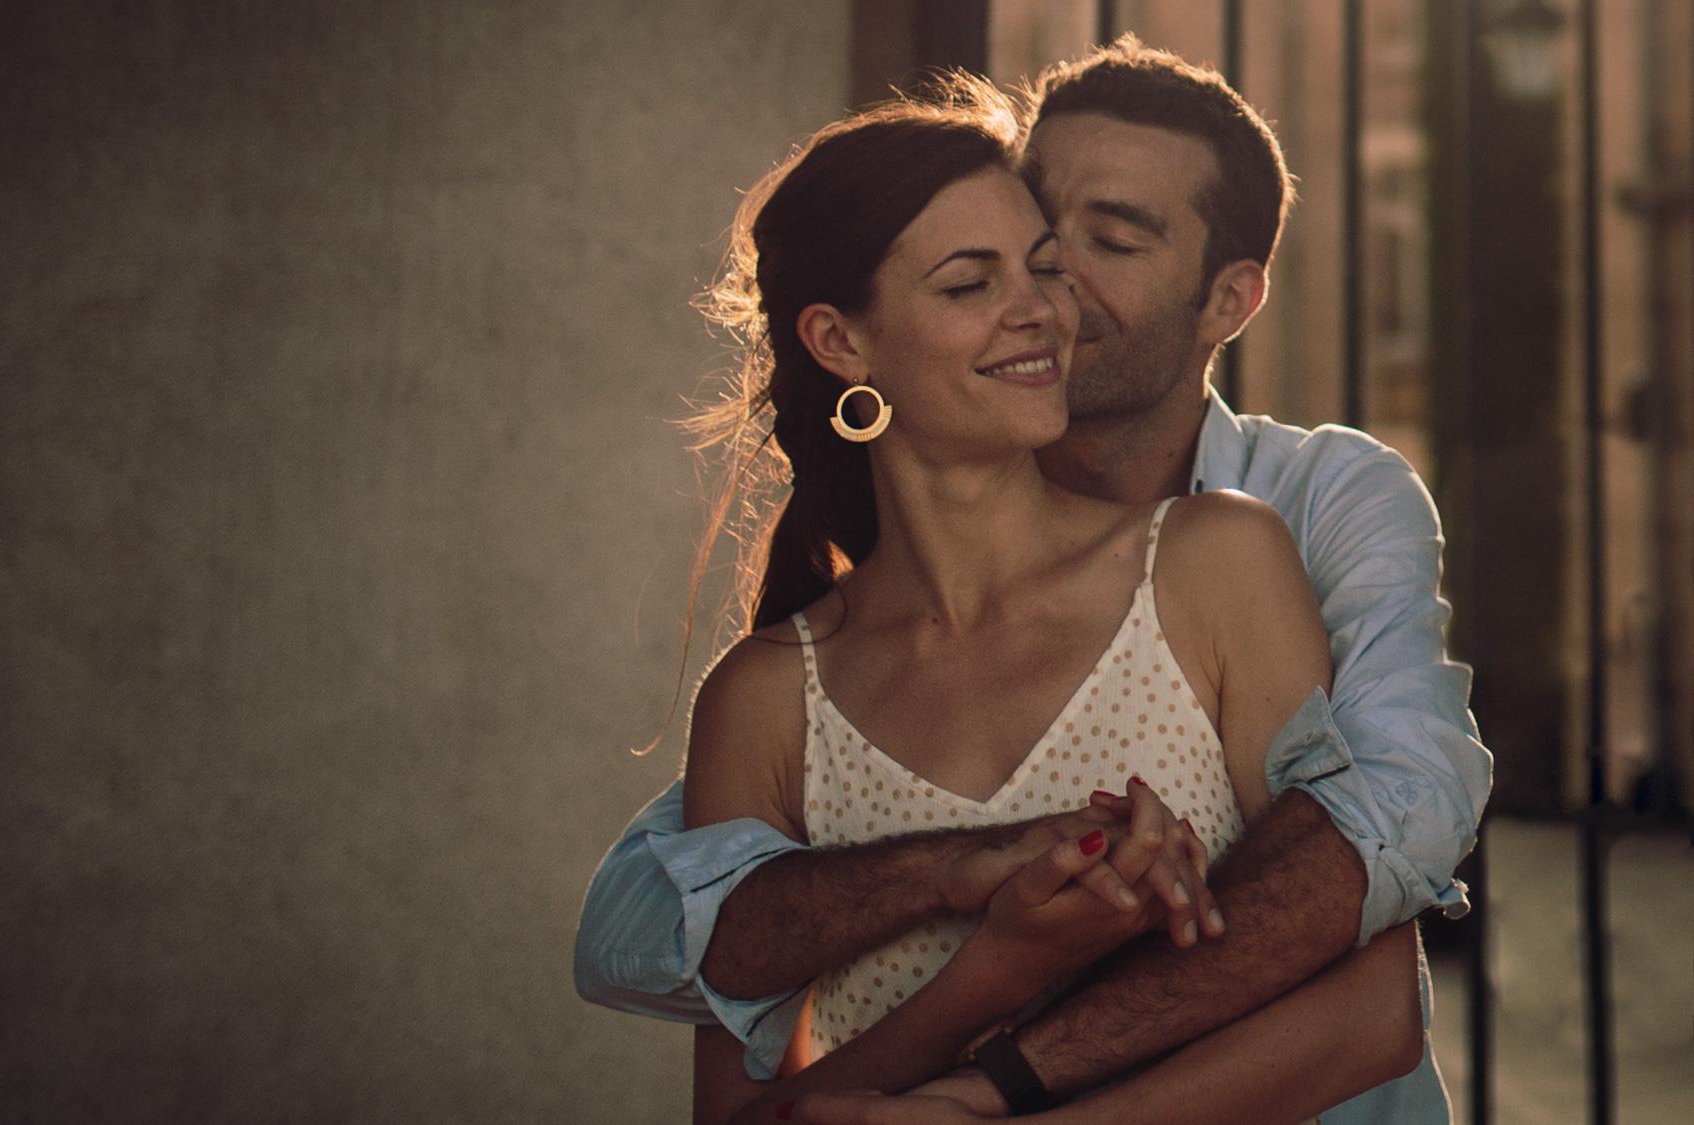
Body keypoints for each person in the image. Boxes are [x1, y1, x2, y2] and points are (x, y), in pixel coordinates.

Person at [578, 38, 1489, 1123]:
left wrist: (993, 1098)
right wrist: (984, 935)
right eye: (990, 269)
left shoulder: (1244, 543)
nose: (1047, 298)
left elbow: (1388, 866)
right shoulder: (771, 692)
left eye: (1088, 248)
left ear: (1228, 300)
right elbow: (646, 942)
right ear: (839, 342)